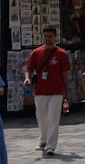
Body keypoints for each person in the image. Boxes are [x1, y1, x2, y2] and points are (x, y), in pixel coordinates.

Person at [22, 26, 70, 155]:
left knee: (54, 119)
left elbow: (65, 73)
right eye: (46, 36)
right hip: (40, 90)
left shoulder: (62, 53)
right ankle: (43, 139)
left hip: (57, 90)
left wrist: (67, 91)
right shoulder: (36, 52)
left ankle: (51, 146)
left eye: (50, 36)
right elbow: (29, 68)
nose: (48, 39)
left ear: (55, 37)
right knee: (41, 117)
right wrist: (27, 78)